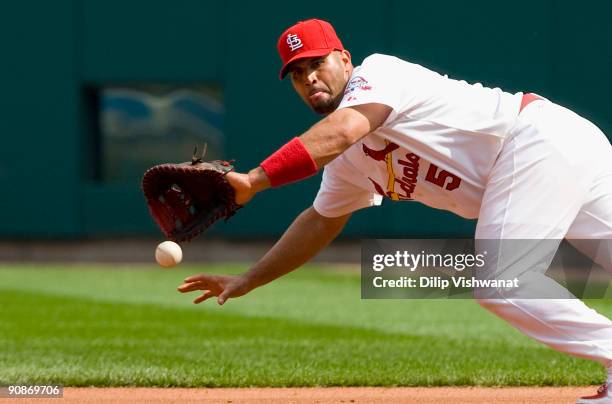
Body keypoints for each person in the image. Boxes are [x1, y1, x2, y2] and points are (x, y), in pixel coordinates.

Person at [177, 19, 612, 403]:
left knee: (501, 282)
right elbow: (319, 220)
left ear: (345, 60)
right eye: (297, 73)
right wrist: (249, 278)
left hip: (533, 142)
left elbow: (344, 129)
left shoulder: (379, 74)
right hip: (556, 151)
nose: (309, 78)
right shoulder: (347, 161)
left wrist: (256, 180)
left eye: (316, 63)